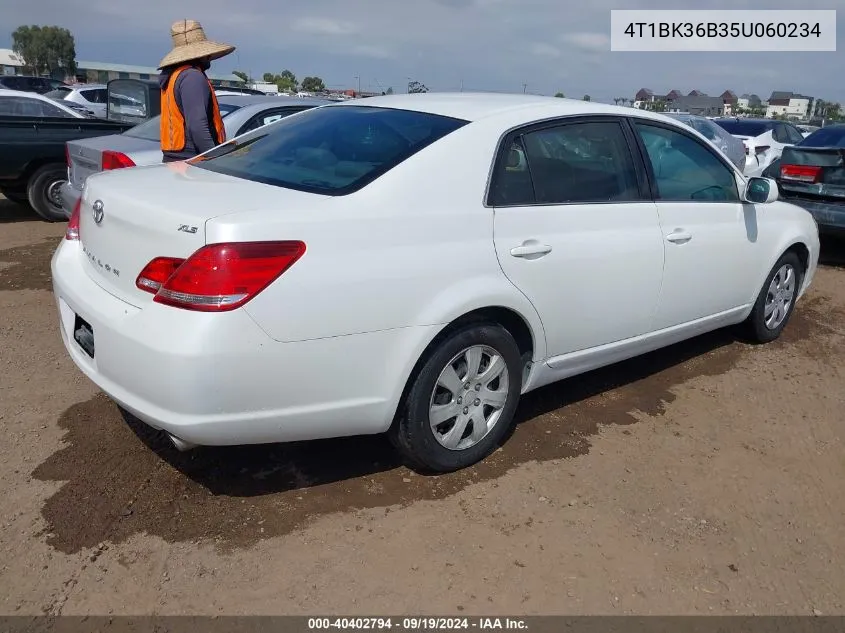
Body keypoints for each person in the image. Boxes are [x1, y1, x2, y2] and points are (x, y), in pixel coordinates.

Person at [157, 19, 236, 162]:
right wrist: (214, 159)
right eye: (208, 54)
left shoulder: (175, 75)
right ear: (202, 54)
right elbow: (197, 126)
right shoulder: (192, 77)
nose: (210, 57)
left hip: (177, 159)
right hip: (192, 161)